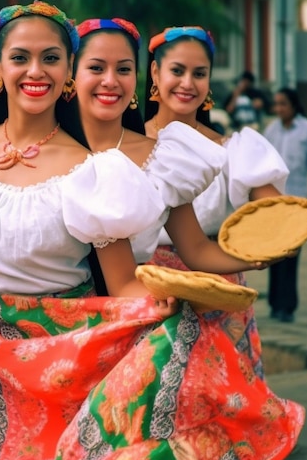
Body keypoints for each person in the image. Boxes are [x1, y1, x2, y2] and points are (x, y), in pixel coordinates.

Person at [0, 2, 303, 460]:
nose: (35, 71)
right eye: (20, 57)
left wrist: (171, 299)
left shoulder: (96, 171)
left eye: (50, 57)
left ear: (66, 71)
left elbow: (122, 285)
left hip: (61, 358)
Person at [73, 17, 269, 282]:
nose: (110, 81)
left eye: (123, 69)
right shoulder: (33, 152)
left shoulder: (162, 160)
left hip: (147, 302)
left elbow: (196, 248)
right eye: (96, 68)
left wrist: (259, 255)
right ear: (70, 72)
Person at [143, 27, 289, 381]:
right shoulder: (126, 143)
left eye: (200, 73)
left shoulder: (232, 149)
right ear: (155, 74)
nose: (187, 83)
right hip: (148, 293)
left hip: (219, 295)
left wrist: (274, 237)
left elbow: (274, 217)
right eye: (177, 70)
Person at [263, 87, 307, 322]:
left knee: (292, 253)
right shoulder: (272, 129)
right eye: (276, 104)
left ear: (294, 105)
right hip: (274, 201)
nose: (278, 109)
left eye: (283, 104)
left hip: (297, 202)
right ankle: (275, 302)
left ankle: (287, 306)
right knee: (274, 253)